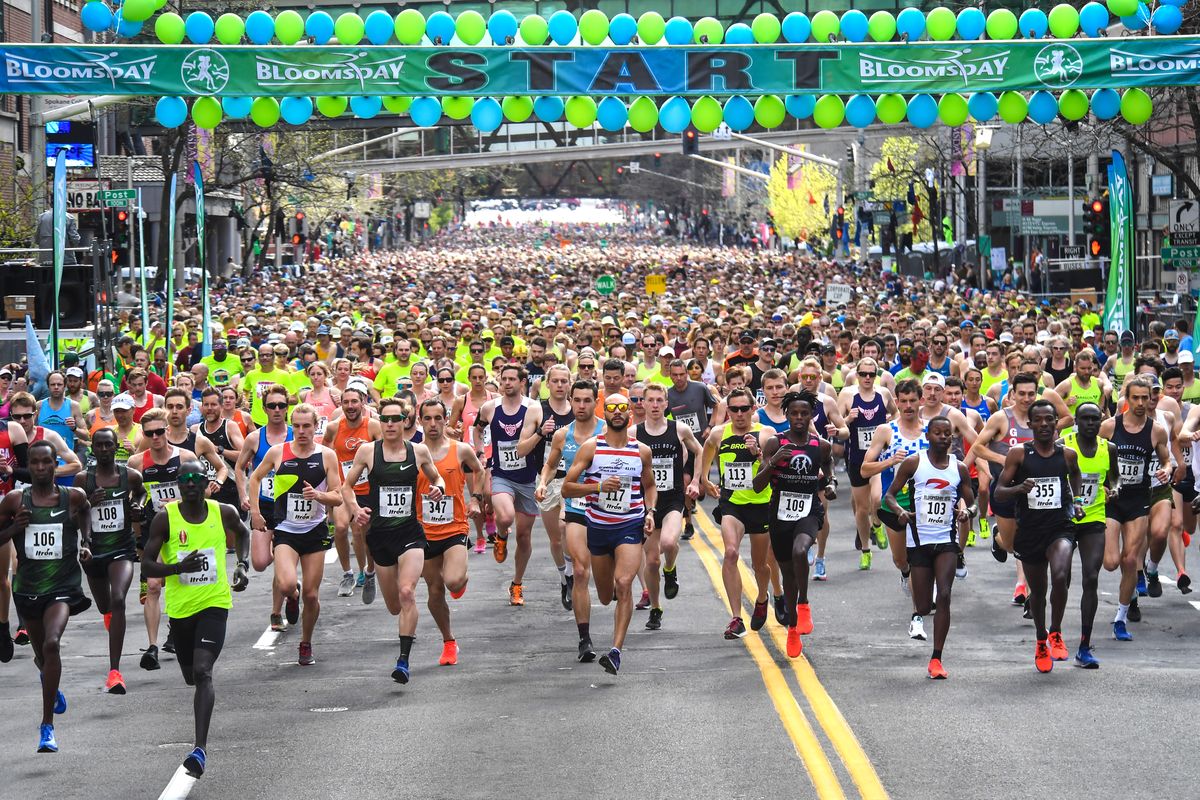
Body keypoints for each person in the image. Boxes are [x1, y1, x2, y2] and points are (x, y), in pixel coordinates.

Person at [140, 456, 250, 778]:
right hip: (181, 610)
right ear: (178, 484)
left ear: (206, 484)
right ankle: (199, 736)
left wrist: (242, 565)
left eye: (195, 480)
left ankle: (199, 749)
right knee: (190, 674)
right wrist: (177, 569)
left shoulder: (222, 512)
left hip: (214, 604)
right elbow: (146, 565)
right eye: (184, 480)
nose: (190, 484)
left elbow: (243, 534)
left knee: (203, 672)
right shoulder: (165, 519)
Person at [343, 398, 445, 682]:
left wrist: (437, 489)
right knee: (393, 606)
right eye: (385, 419)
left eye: (395, 419)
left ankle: (403, 661)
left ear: (405, 421)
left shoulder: (419, 450)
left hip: (409, 533)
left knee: (407, 593)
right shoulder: (367, 451)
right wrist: (355, 509)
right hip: (379, 536)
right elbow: (347, 486)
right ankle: (371, 571)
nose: (389, 424)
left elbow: (438, 480)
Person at [0, 440, 92, 753]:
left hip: (62, 587)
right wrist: (14, 530)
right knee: (42, 654)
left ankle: (47, 725)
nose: (40, 468)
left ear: (55, 465)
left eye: (46, 462)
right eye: (35, 463)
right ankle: (48, 678)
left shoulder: (72, 497)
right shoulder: (15, 500)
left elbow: (87, 512)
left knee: (52, 644)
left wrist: (86, 542)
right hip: (27, 589)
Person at [561, 393, 657, 675]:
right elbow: (567, 488)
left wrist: (650, 512)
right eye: (612, 408)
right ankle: (615, 596)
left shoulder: (641, 451)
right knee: (605, 595)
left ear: (629, 412)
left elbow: (650, 486)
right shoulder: (592, 448)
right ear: (606, 411)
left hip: (630, 524)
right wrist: (598, 488)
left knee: (625, 583)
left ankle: (615, 651)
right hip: (598, 527)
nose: (617, 412)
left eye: (622, 408)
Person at [993, 400, 1085, 673]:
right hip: (1030, 530)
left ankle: (1056, 632)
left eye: (1049, 419)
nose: (1044, 424)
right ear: (1030, 424)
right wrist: (1020, 488)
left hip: (1060, 526)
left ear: (1057, 422)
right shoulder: (1019, 454)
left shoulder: (1067, 454)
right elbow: (999, 491)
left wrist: (1077, 500)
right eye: (1039, 420)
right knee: (1039, 591)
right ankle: (1041, 639)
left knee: (1060, 574)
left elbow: (1076, 476)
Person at [249, 402, 342, 666]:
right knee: (288, 584)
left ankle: (306, 642)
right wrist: (255, 512)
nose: (301, 431)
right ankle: (292, 594)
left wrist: (319, 495)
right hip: (285, 530)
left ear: (316, 427)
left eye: (307, 426)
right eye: (297, 426)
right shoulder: (279, 452)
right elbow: (255, 478)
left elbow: (337, 496)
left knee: (312, 595)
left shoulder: (326, 455)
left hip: (314, 531)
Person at [884, 415, 974, 679]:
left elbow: (974, 503)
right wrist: (900, 510)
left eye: (948, 434)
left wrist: (967, 511)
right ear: (928, 436)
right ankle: (919, 610)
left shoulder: (959, 469)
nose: (944, 437)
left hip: (946, 541)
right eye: (938, 433)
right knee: (924, 606)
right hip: (919, 542)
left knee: (944, 594)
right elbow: (889, 495)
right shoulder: (915, 463)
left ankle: (937, 658)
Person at [753, 390, 831, 658]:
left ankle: (804, 604)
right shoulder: (776, 443)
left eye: (804, 413)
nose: (799, 418)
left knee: (801, 551)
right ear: (787, 415)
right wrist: (773, 461)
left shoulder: (820, 446)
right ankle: (793, 630)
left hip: (809, 511)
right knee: (788, 575)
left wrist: (830, 485)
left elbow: (828, 472)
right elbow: (757, 485)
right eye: (794, 413)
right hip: (779, 514)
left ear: (811, 416)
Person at [1099, 377, 1171, 641]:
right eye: (1135, 398)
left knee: (1130, 560)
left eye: (1145, 398)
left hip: (1139, 500)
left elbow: (1166, 461)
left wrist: (1165, 471)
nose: (1141, 403)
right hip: (1112, 501)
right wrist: (1100, 486)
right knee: (1110, 562)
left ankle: (1120, 616)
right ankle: (1126, 591)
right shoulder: (1109, 427)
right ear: (1126, 399)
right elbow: (1092, 458)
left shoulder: (1156, 431)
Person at [74, 428, 145, 694]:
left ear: (117, 447)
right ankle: (109, 617)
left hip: (122, 549)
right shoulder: (84, 479)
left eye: (108, 445)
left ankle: (114, 672)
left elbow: (140, 494)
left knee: (118, 600)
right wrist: (87, 504)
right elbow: (69, 517)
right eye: (99, 445)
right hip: (92, 552)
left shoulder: (129, 476)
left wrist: (137, 506)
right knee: (105, 606)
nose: (104, 449)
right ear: (92, 448)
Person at [538, 379, 605, 661]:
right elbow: (551, 465)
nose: (580, 406)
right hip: (576, 505)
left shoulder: (609, 431)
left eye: (586, 400)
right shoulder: (562, 435)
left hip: (607, 508)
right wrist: (543, 483)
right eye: (576, 400)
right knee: (580, 571)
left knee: (608, 587)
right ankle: (584, 639)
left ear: (595, 401)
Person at [698, 387, 773, 638]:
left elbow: (771, 467)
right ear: (727, 410)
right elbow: (707, 449)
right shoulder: (720, 433)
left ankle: (762, 597)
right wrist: (704, 478)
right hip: (732, 504)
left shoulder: (765, 434)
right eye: (734, 409)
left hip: (761, 503)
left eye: (744, 409)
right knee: (730, 553)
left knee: (760, 564)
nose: (739, 414)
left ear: (754, 409)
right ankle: (736, 617)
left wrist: (758, 454)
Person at [415, 398, 484, 668]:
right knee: (434, 590)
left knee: (453, 582)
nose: (433, 424)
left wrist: (475, 499)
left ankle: (460, 580)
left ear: (446, 420)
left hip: (455, 526)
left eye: (438, 418)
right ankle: (448, 641)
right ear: (420, 421)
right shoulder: (413, 453)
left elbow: (479, 471)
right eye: (428, 419)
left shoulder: (461, 449)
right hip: (423, 531)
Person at [633, 383, 703, 629]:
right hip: (646, 501)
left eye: (658, 400)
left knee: (669, 543)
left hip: (672, 498)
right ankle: (655, 607)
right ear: (642, 403)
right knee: (651, 562)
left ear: (665, 404)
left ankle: (671, 569)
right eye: (649, 400)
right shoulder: (634, 433)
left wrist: (695, 479)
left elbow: (700, 450)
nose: (654, 405)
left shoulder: (679, 429)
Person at [473, 365, 540, 605]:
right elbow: (477, 428)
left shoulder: (532, 408)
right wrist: (480, 451)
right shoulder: (490, 407)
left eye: (513, 379)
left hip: (527, 477)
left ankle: (517, 584)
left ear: (523, 382)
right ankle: (500, 536)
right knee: (505, 516)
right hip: (501, 473)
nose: (508, 383)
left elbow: (541, 436)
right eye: (504, 379)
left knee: (524, 537)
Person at [1061, 403, 1118, 668]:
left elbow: (1115, 479)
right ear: (1076, 420)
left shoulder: (1110, 449)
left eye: (1096, 419)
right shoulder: (1064, 445)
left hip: (1094, 517)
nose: (1091, 424)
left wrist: (1114, 489)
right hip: (1064, 519)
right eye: (1085, 419)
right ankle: (1055, 634)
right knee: (1061, 577)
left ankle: (1084, 646)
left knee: (1091, 577)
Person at [234, 384, 293, 631]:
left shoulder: (295, 434)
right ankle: (291, 582)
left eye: (282, 405)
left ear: (287, 408)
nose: (277, 410)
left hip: (291, 508)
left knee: (280, 562)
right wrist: (243, 495)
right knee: (259, 562)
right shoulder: (255, 438)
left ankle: (276, 612)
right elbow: (239, 467)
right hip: (265, 506)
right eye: (272, 405)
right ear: (264, 408)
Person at [323, 385, 381, 599]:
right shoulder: (333, 427)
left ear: (363, 402)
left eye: (354, 402)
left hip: (367, 488)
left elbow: (383, 451)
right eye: (346, 402)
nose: (350, 406)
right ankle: (348, 574)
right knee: (339, 527)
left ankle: (369, 572)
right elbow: (325, 450)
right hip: (344, 487)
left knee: (363, 533)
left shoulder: (373, 426)